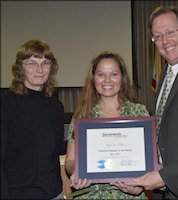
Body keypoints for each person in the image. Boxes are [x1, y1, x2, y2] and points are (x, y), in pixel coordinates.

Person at [112, 5, 178, 199]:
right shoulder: (166, 75)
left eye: (169, 32)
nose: (164, 41)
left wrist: (166, 177)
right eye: (157, 36)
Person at [65, 51, 150, 199]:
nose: (107, 80)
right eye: (101, 74)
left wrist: (140, 185)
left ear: (122, 78)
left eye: (114, 74)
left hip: (130, 196)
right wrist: (78, 172)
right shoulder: (82, 115)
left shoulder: (139, 112)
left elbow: (148, 160)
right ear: (93, 79)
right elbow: (70, 161)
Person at [1, 39, 65, 199]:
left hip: (53, 192)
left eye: (45, 62)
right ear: (20, 68)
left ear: (52, 67)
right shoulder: (6, 104)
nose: (40, 69)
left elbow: (56, 150)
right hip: (18, 193)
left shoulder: (56, 106)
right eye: (31, 63)